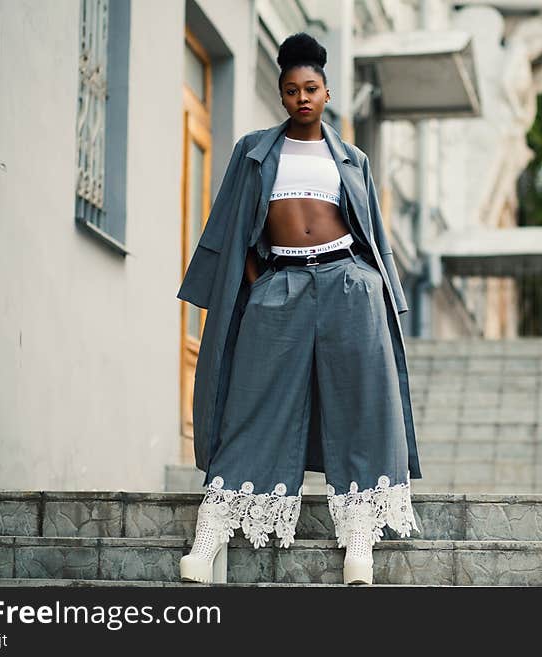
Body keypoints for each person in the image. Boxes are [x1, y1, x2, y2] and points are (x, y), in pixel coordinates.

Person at [178, 32, 421, 585]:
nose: (302, 98)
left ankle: (359, 543)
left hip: (346, 284)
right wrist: (258, 282)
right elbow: (231, 226)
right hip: (279, 284)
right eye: (291, 90)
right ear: (282, 95)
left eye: (311, 88)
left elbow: (372, 234)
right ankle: (208, 538)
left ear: (327, 93)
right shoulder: (255, 150)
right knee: (251, 404)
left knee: (362, 405)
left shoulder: (351, 159)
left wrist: (368, 283)